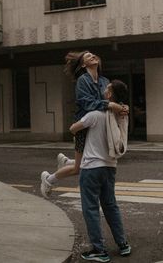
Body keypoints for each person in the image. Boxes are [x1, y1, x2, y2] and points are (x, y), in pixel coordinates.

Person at [40, 51, 129, 198]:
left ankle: (65, 161)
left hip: (100, 127)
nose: (93, 56)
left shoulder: (105, 81)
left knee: (90, 160)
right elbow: (88, 103)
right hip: (84, 127)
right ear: (83, 64)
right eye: (88, 56)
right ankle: (49, 179)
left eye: (94, 55)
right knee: (78, 168)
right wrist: (111, 105)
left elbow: (112, 98)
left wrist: (122, 107)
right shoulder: (83, 80)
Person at [70, 79, 131, 262]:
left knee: (91, 209)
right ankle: (123, 245)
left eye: (107, 88)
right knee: (111, 206)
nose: (104, 90)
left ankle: (99, 250)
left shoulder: (95, 115)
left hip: (91, 168)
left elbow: (73, 129)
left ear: (110, 95)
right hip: (110, 167)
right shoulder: (121, 115)